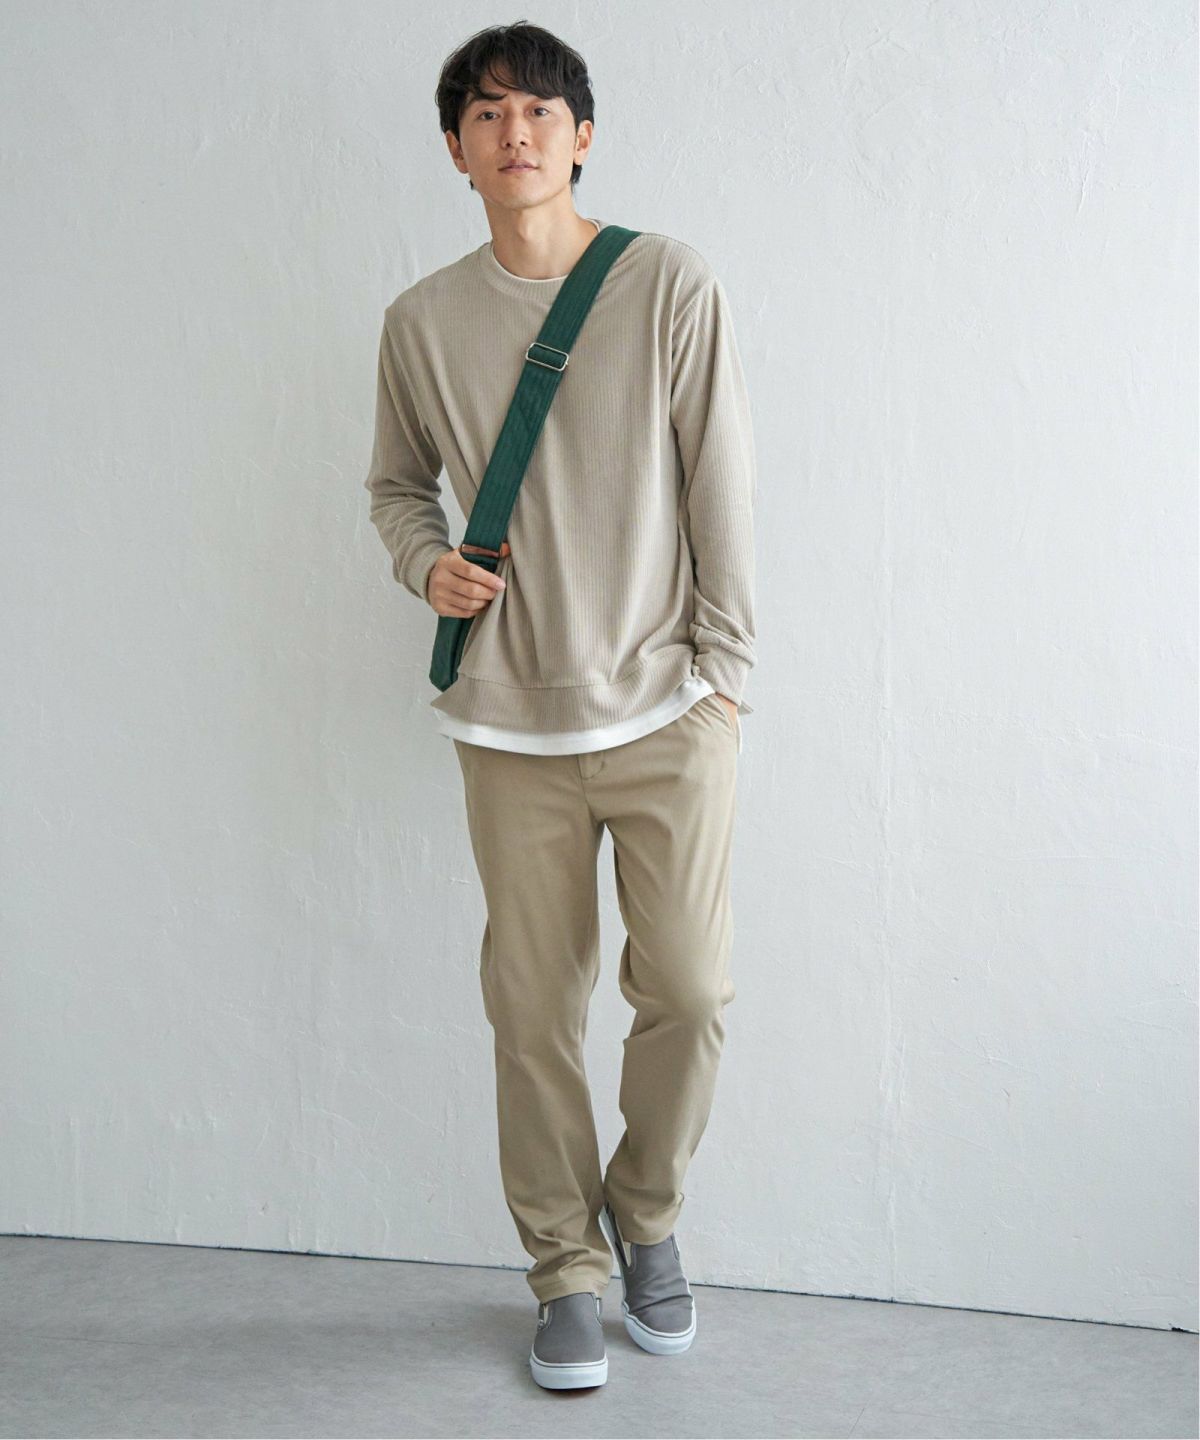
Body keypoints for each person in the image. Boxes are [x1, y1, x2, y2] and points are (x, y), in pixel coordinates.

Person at [363, 20, 757, 1391]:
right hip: (507, 724)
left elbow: (721, 479)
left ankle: (644, 1216)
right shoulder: (421, 322)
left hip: (666, 706)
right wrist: (425, 563)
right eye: (486, 113)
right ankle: (563, 1271)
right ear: (457, 150)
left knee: (690, 989)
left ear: (582, 136)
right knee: (532, 1013)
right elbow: (395, 487)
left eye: (539, 109)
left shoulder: (668, 284)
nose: (514, 131)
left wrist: (725, 676)